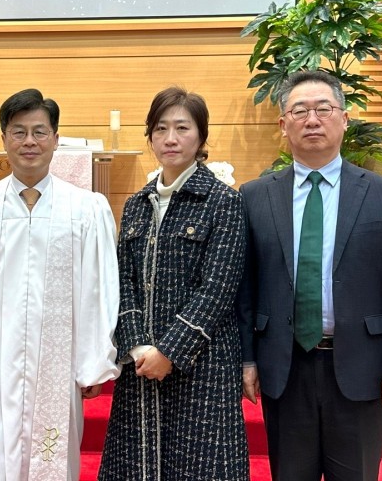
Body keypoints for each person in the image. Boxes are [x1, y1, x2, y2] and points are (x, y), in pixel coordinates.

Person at [237, 70, 382, 481]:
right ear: (283, 125)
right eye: (299, 111)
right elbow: (245, 289)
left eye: (324, 109)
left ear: (344, 119)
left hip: (361, 368)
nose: (312, 119)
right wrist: (247, 359)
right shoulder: (254, 197)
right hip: (283, 369)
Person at [0, 88, 119, 480]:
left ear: (55, 139)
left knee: (53, 455)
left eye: (39, 131)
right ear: (4, 139)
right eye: (18, 132)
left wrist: (93, 362)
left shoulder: (85, 209)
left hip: (58, 362)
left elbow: (98, 291)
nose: (29, 142)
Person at [99, 87, 250, 480]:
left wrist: (169, 351)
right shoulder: (136, 203)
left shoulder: (223, 201)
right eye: (161, 128)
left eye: (182, 128)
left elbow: (217, 288)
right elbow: (123, 280)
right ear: (148, 137)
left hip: (202, 363)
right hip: (142, 363)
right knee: (137, 465)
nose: (170, 138)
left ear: (201, 137)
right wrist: (136, 345)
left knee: (198, 466)